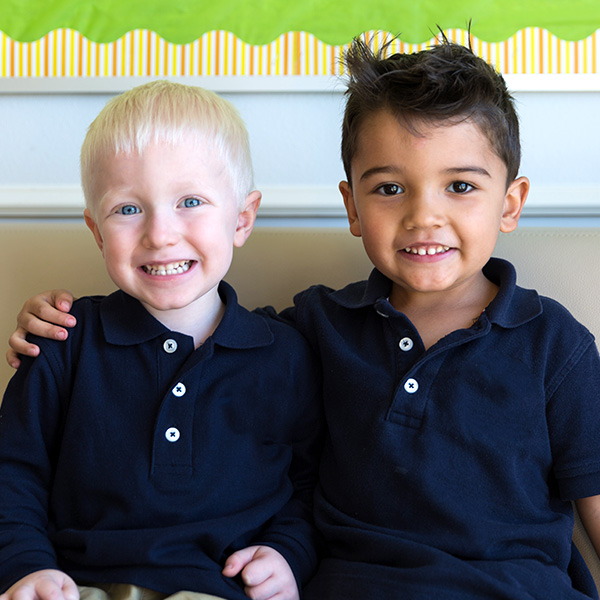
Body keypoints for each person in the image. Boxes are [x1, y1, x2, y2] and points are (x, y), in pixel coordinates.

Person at [8, 38, 600, 599]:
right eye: (391, 188)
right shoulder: (316, 328)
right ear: (352, 207)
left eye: (461, 186)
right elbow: (201, 334)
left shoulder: (556, 345)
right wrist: (49, 319)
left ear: (511, 202)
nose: (424, 216)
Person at [0, 80, 322, 600]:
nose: (160, 234)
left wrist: (288, 552)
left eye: (190, 201)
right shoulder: (61, 341)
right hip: (76, 584)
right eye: (128, 209)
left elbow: (312, 487)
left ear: (242, 218)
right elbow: (13, 472)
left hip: (216, 588)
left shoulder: (285, 355)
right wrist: (24, 568)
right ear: (97, 231)